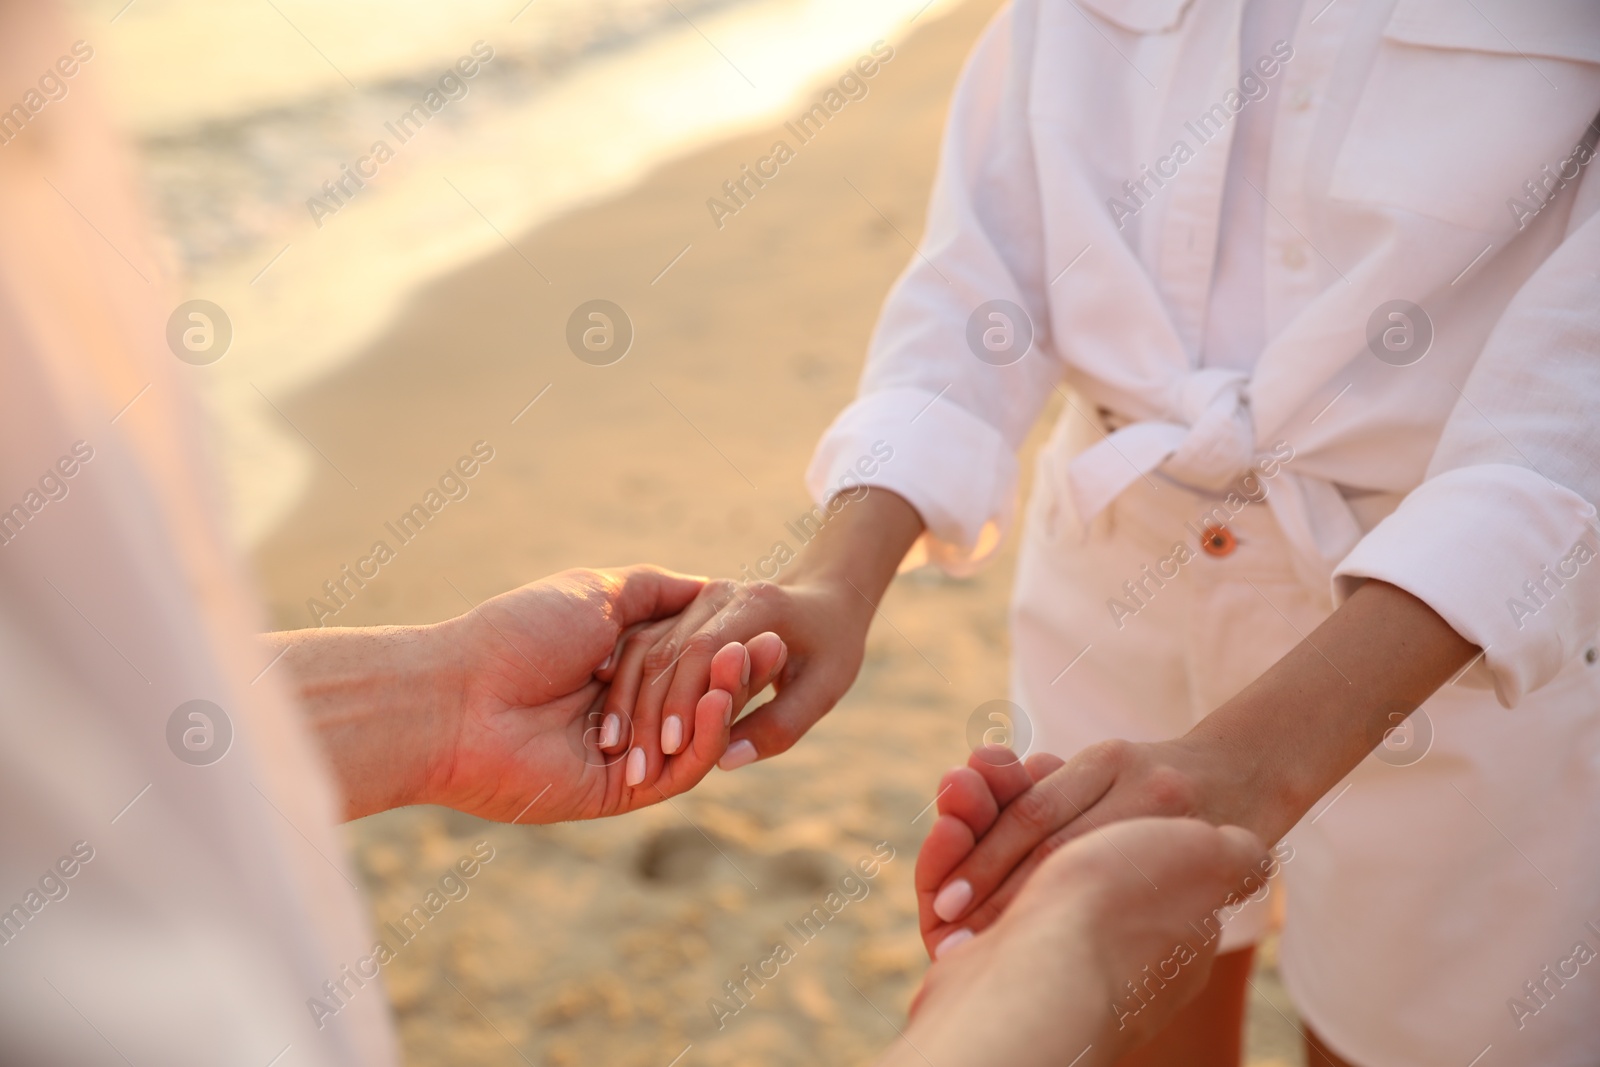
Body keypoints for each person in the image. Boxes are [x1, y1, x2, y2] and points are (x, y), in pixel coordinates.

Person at [608, 1, 1600, 1064]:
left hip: (1448, 640)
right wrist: (834, 574)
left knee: (1409, 1039)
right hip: (1109, 567)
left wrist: (1250, 763)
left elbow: (1561, 434)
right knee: (1131, 1022)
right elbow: (987, 269)